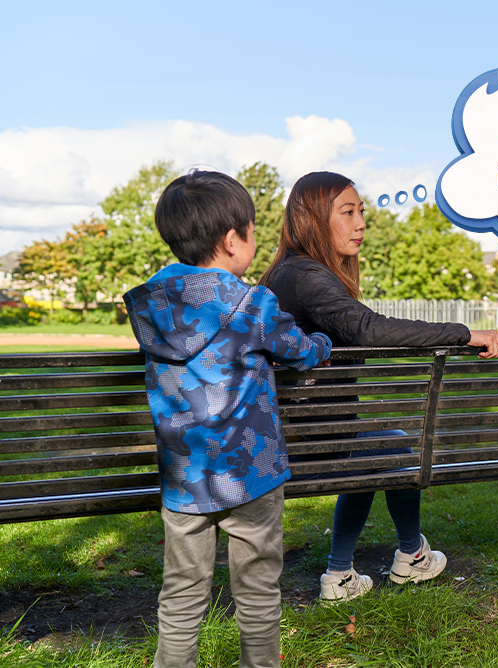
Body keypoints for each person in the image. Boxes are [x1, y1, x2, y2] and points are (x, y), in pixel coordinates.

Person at [259, 171, 498, 602]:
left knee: (380, 449)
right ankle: (408, 556)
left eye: (362, 212)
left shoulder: (285, 274)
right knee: (390, 448)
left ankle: (348, 573)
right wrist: (463, 334)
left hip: (299, 435)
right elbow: (368, 329)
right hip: (305, 445)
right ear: (312, 219)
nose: (361, 223)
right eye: (348, 212)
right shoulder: (306, 276)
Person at [124, 171, 333, 668]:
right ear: (232, 239)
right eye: (253, 230)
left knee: (180, 595)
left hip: (184, 478)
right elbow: (302, 353)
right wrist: (323, 342)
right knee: (258, 594)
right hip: (251, 476)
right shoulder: (251, 303)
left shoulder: (150, 305)